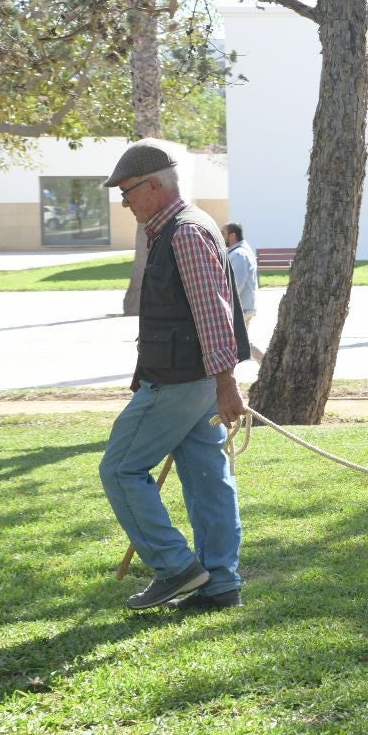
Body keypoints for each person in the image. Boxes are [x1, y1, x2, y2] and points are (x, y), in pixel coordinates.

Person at [99, 139, 251, 612]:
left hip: (186, 380)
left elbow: (212, 314)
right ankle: (221, 584)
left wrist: (226, 382)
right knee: (208, 480)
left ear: (157, 184)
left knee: (120, 469)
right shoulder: (182, 227)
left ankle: (176, 567)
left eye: (128, 191)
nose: (125, 202)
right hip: (192, 377)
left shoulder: (184, 232)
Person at [221, 221, 264, 363]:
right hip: (242, 306)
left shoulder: (239, 254)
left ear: (232, 235)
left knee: (240, 343)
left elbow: (236, 284)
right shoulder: (238, 252)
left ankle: (268, 366)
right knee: (239, 342)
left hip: (241, 308)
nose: (221, 237)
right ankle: (268, 367)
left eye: (223, 233)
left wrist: (224, 304)